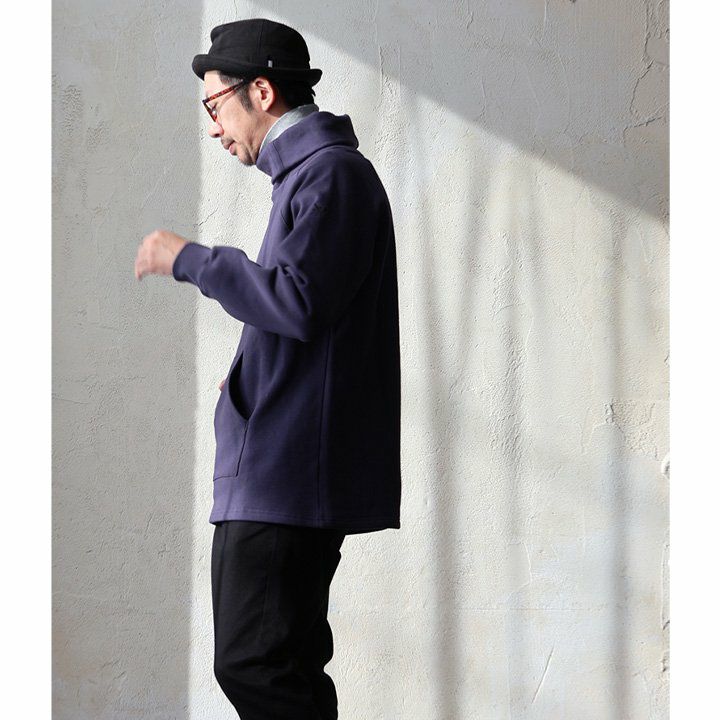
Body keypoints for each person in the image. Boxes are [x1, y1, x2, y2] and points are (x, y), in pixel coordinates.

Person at [133, 18, 401, 720]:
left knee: (254, 665)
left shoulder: (332, 175)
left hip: (287, 473)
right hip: (277, 466)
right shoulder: (309, 178)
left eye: (215, 104)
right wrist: (246, 378)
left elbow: (298, 300)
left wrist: (190, 259)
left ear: (261, 91)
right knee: (280, 666)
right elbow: (303, 308)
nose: (214, 128)